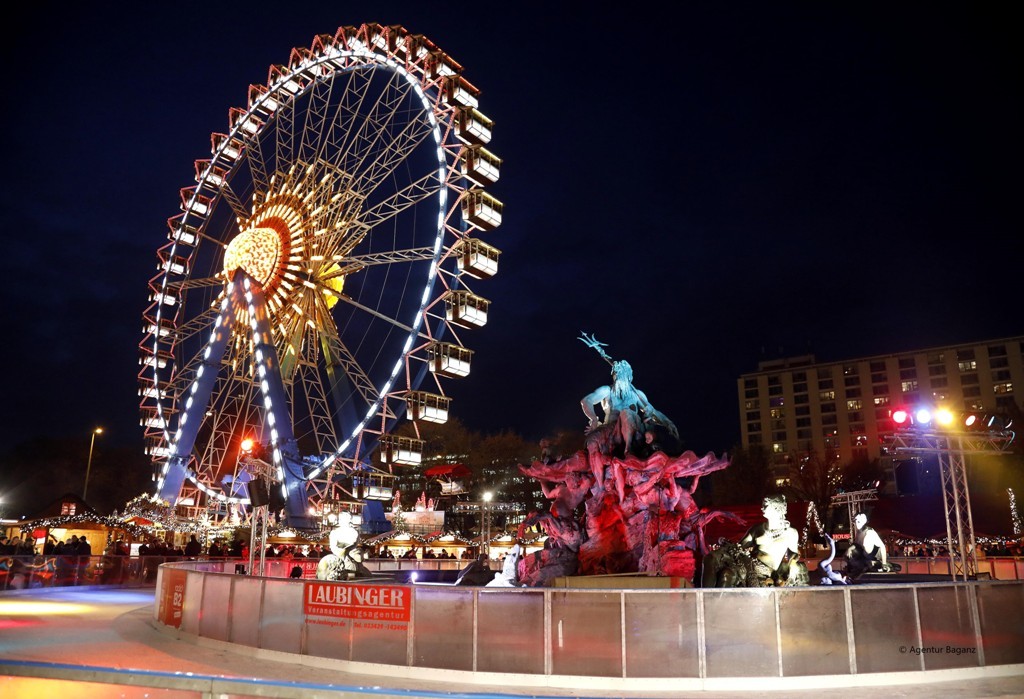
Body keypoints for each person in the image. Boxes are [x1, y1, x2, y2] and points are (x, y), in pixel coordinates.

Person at [846, 512, 899, 578]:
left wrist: (884, 563)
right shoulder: (859, 532)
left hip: (872, 557)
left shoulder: (870, 532)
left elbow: (882, 546)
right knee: (848, 554)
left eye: (858, 521)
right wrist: (850, 549)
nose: (856, 524)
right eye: (855, 522)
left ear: (863, 521)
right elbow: (856, 544)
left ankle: (880, 565)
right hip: (863, 557)